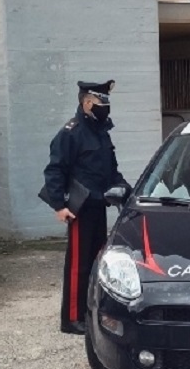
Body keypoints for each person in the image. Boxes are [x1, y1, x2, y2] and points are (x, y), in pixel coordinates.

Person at [42, 80, 130, 335]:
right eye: (102, 102)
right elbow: (55, 170)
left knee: (95, 262)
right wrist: (59, 205)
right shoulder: (71, 132)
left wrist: (125, 189)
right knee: (78, 266)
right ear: (88, 103)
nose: (106, 107)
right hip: (79, 208)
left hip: (99, 204)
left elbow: (111, 170)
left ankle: (89, 311)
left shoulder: (101, 132)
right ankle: (71, 318)